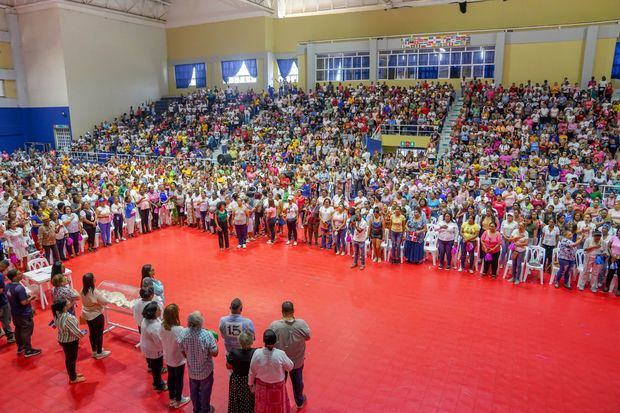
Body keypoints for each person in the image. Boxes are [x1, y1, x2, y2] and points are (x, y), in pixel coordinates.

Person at [269, 301, 311, 409]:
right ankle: (299, 401)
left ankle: (280, 401)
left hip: (281, 361)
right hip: (297, 361)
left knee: (281, 382)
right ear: (293, 311)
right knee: (298, 381)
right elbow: (308, 337)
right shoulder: (301, 324)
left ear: (282, 312)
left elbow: (269, 340)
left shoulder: (274, 326)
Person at [178, 311, 219, 413]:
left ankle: (196, 408)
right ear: (201, 322)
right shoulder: (207, 335)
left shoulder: (183, 333)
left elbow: (181, 349)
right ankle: (205, 409)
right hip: (206, 371)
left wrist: (189, 357)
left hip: (192, 370)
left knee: (194, 390)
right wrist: (215, 342)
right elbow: (215, 353)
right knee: (205, 391)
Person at [249, 329, 294, 413]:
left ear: (264, 341)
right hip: (278, 388)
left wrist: (250, 384)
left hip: (262, 387)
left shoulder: (257, 353)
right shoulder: (280, 354)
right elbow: (290, 367)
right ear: (275, 341)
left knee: (262, 408)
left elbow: (252, 371)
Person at [160, 303, 191, 408]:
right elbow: (184, 344)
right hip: (178, 358)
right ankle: (179, 400)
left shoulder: (161, 326)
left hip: (168, 357)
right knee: (179, 379)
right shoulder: (179, 330)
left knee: (171, 377)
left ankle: (171, 398)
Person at [5, 269, 41, 357]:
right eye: (19, 274)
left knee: (18, 329)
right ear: (14, 277)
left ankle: (20, 347)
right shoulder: (19, 288)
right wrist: (31, 297)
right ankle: (28, 350)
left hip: (15, 313)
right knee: (26, 331)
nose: (21, 274)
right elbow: (24, 302)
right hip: (24, 313)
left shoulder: (8, 286)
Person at [51, 298, 86, 384]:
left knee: (68, 358)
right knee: (72, 359)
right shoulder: (68, 318)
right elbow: (75, 331)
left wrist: (61, 329)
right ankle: (73, 378)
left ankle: (73, 374)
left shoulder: (56, 314)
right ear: (64, 307)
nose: (69, 304)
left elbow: (52, 325)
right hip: (70, 341)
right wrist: (83, 333)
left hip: (62, 339)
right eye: (67, 304)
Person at [80, 272, 111, 359]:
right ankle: (100, 352)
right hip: (96, 315)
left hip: (87, 314)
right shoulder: (95, 292)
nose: (95, 278)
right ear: (91, 280)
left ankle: (94, 351)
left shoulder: (82, 290)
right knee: (99, 334)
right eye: (93, 277)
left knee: (92, 333)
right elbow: (104, 301)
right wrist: (104, 296)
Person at [140, 302, 167, 393]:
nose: (160, 310)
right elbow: (159, 342)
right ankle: (158, 384)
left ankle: (158, 381)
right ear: (154, 313)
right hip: (154, 349)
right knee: (157, 366)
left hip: (147, 346)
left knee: (154, 365)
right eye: (158, 310)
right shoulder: (154, 327)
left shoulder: (146, 319)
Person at [226, 332, 256, 413]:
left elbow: (228, 366)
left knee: (237, 398)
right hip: (251, 380)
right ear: (251, 341)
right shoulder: (256, 352)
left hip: (238, 380)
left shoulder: (233, 352)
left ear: (239, 341)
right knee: (250, 398)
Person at [0, 260, 15, 344]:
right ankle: (10, 337)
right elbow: (1, 290)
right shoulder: (0, 276)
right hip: (2, 302)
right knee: (5, 319)